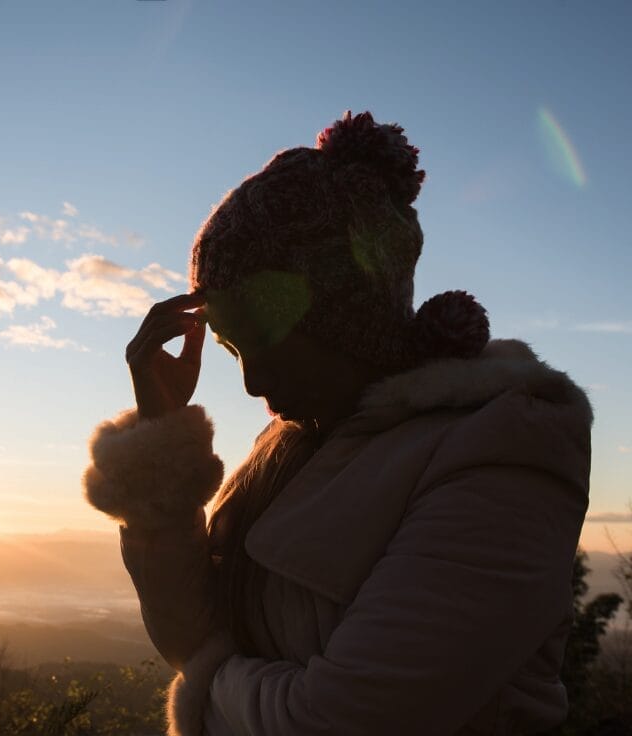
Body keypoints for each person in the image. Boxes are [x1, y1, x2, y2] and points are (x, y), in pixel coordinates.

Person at [81, 110, 592, 735]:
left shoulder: (499, 452)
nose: (251, 383)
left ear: (341, 314)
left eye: (263, 338)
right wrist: (163, 441)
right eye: (231, 347)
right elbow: (191, 633)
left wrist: (211, 681)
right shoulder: (291, 447)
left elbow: (337, 720)